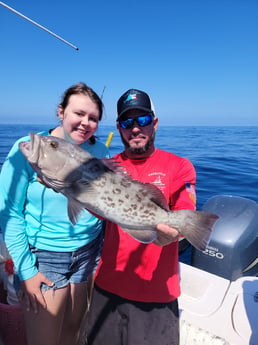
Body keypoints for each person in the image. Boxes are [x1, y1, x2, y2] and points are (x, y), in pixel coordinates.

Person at [0, 82, 109, 345]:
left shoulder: (100, 152)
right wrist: (26, 271)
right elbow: (9, 214)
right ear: (61, 111)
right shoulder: (29, 147)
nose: (86, 123)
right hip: (46, 257)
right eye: (79, 114)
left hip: (88, 254)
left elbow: (101, 204)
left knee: (72, 334)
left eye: (93, 118)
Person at [85, 88, 196, 345]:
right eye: (126, 122)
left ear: (154, 123)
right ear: (119, 127)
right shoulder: (108, 166)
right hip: (107, 288)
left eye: (142, 120)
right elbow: (95, 210)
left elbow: (186, 213)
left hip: (157, 295)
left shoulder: (179, 166)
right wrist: (67, 186)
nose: (135, 128)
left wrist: (175, 233)